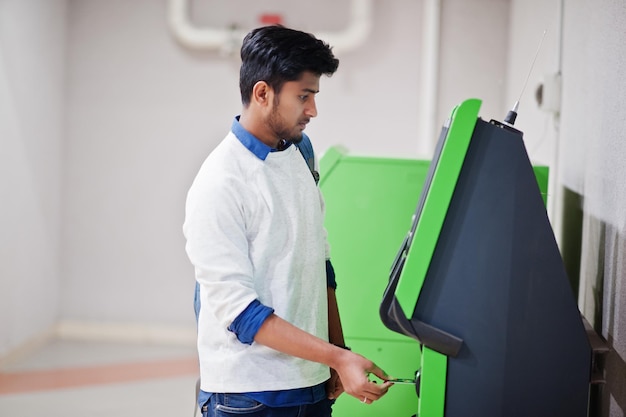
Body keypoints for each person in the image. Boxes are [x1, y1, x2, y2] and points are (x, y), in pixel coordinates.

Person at [183, 25, 393, 417]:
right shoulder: (220, 184)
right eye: (304, 96)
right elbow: (241, 314)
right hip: (248, 398)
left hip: (310, 387)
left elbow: (319, 262)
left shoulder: (300, 152)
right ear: (262, 93)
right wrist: (335, 356)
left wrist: (337, 355)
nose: (313, 110)